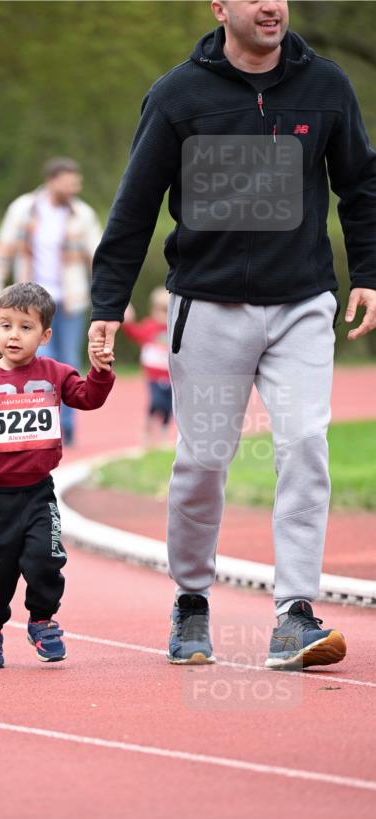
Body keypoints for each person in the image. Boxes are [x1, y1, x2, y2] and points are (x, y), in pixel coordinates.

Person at [88, 0, 376, 669]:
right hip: (207, 307)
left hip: (302, 303)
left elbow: (361, 185)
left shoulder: (325, 86)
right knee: (203, 461)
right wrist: (108, 302)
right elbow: (134, 205)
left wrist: (367, 269)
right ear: (221, 7)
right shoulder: (177, 95)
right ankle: (191, 599)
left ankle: (294, 614)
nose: (271, 5)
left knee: (304, 445)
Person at [0, 282, 114, 668]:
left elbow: (88, 397)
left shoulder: (55, 373)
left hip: (39, 493)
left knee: (46, 559)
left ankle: (42, 620)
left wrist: (101, 370)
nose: (14, 335)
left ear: (45, 336)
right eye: (6, 325)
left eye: (25, 327)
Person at [0, 158, 102, 446]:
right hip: (30, 303)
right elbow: (3, 249)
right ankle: (39, 425)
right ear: (52, 180)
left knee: (68, 362)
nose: (75, 187)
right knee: (31, 363)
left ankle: (66, 426)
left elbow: (98, 257)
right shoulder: (23, 209)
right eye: (69, 181)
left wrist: (115, 299)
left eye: (77, 182)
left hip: (69, 300)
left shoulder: (82, 214)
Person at [121, 288, 173, 443]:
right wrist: (127, 320)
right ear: (153, 310)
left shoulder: (175, 329)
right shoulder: (149, 327)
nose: (163, 315)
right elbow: (134, 333)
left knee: (169, 407)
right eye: (160, 310)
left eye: (167, 311)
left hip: (171, 377)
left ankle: (164, 432)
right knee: (156, 402)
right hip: (154, 377)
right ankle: (149, 425)